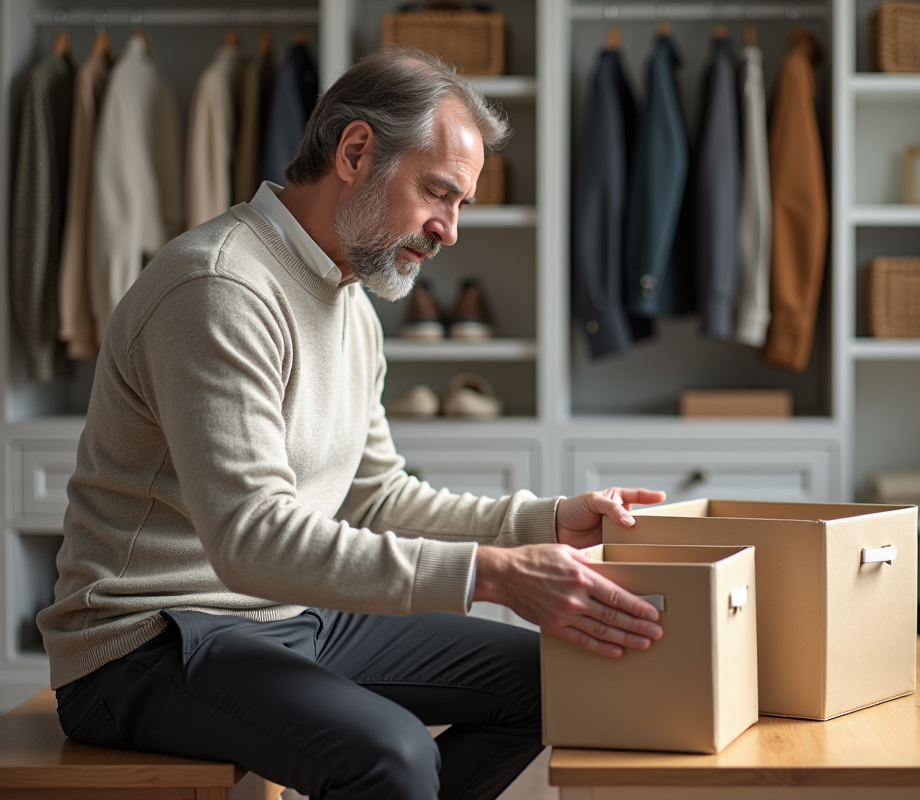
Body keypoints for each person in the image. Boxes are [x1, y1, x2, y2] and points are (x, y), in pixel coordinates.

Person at [36, 48, 666, 800]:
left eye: (461, 204)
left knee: (554, 682)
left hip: (287, 618)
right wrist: (489, 575)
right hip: (149, 641)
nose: (451, 230)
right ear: (357, 151)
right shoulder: (218, 287)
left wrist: (547, 521)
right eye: (440, 193)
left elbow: (374, 496)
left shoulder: (350, 300)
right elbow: (251, 537)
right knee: (394, 758)